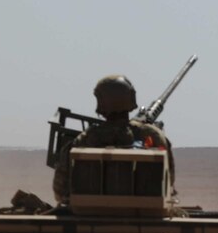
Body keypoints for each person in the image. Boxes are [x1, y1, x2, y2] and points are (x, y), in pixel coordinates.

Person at [53, 75, 174, 203]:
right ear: (131, 99)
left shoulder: (84, 139)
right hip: (146, 214)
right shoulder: (152, 135)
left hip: (90, 213)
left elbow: (61, 190)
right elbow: (169, 180)